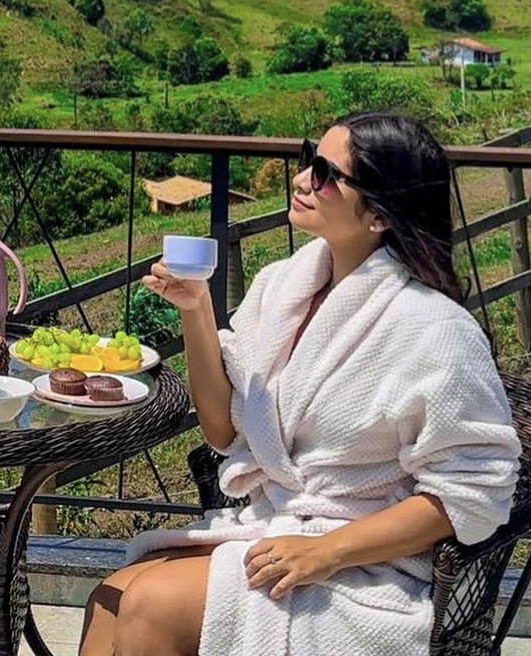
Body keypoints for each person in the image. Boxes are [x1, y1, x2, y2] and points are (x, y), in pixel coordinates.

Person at [80, 111, 521, 656]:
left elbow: (475, 493)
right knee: (110, 598)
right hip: (278, 526)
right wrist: (196, 310)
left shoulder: (436, 330)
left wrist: (328, 551)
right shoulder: (282, 287)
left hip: (368, 564)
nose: (303, 179)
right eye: (310, 159)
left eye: (327, 173)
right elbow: (222, 432)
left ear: (379, 215)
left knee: (151, 604)